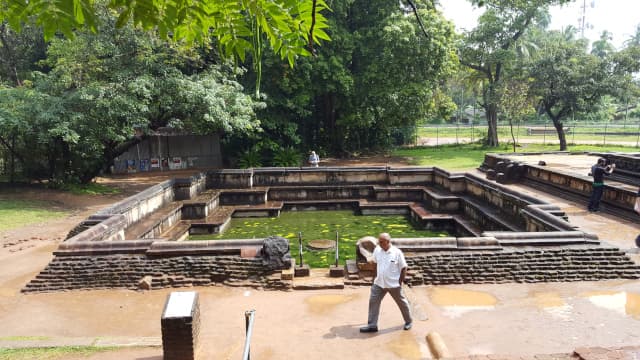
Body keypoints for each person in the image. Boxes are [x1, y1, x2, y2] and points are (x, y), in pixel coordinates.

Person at [360, 233, 413, 333]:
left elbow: (404, 268)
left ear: (388, 242)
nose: (378, 244)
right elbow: (375, 264)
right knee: (373, 302)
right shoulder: (377, 250)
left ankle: (408, 321)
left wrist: (400, 282)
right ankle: (372, 325)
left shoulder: (397, 253)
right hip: (379, 283)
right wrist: (374, 278)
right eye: (378, 241)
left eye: (380, 242)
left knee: (402, 303)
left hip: (394, 285)